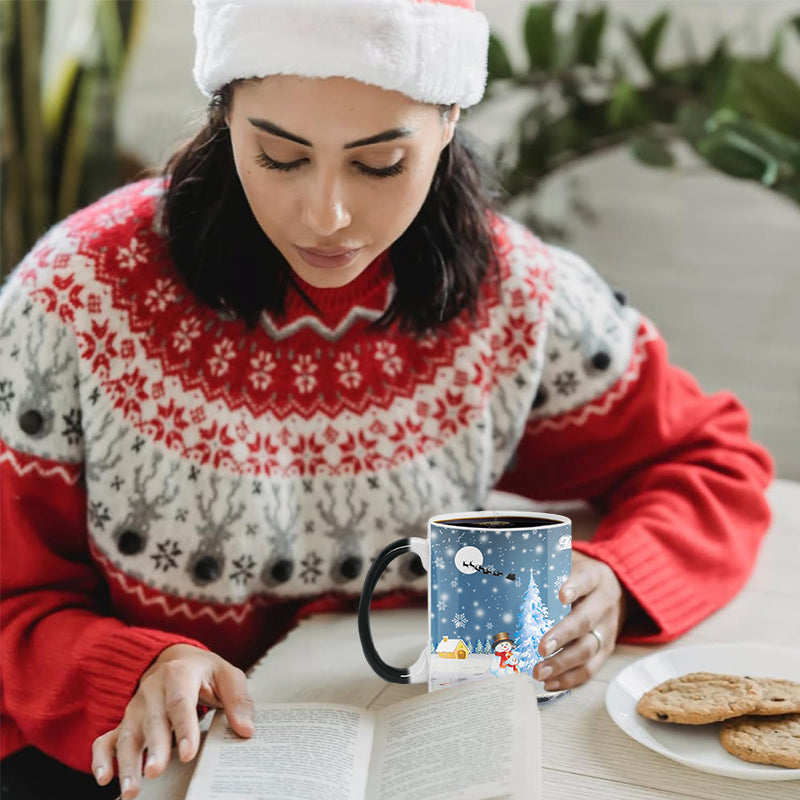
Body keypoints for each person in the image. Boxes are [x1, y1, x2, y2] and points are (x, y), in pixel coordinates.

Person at [0, 1, 773, 798]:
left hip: (423, 749)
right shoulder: (75, 299)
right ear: (223, 115)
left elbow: (712, 460)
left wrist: (616, 580)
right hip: (136, 771)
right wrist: (129, 666)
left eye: (378, 165)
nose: (327, 216)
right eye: (278, 156)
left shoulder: (516, 299)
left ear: (448, 120)